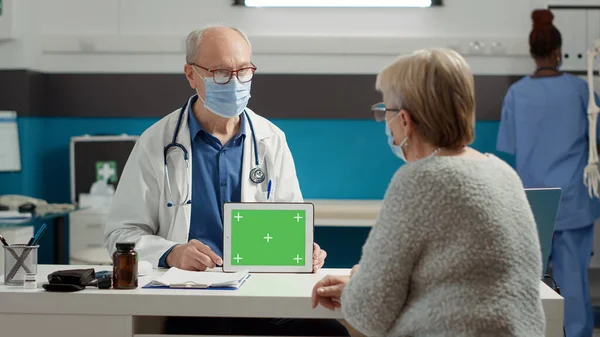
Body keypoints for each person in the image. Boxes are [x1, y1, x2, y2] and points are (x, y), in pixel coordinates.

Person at [104, 26, 348, 336]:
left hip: (259, 295)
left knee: (331, 333)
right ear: (191, 75)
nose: (234, 82)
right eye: (220, 72)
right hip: (188, 298)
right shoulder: (156, 143)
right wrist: (171, 253)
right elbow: (120, 234)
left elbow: (290, 220)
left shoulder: (271, 140)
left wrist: (301, 249)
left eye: (244, 70)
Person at [311, 48, 546, 337]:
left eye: (385, 112)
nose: (386, 123)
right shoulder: (502, 173)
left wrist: (359, 283)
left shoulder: (420, 180)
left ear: (405, 121)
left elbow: (367, 317)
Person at [496, 9, 600, 337]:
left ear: (533, 53)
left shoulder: (516, 94)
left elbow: (509, 146)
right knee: (574, 287)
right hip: (573, 202)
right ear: (559, 52)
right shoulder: (582, 91)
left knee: (529, 285)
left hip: (532, 205)